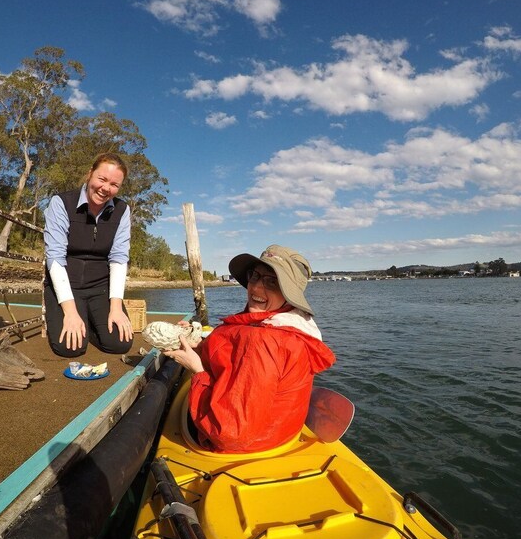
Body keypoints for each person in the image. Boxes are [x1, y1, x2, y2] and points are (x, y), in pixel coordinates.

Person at [165, 244, 336, 453]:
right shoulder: (280, 324)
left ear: (288, 294)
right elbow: (236, 356)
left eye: (272, 282)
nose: (255, 288)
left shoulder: (264, 342)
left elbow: (229, 434)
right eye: (255, 276)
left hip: (242, 446)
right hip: (278, 437)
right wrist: (201, 345)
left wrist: (197, 369)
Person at [43, 153, 133, 358]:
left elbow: (119, 257)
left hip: (100, 286)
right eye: (102, 179)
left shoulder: (122, 210)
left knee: (120, 344)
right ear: (90, 174)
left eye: (114, 184)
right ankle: (74, 318)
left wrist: (116, 307)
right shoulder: (61, 203)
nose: (106, 188)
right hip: (67, 287)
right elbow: (55, 257)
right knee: (70, 348)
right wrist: (70, 312)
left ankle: (92, 325)